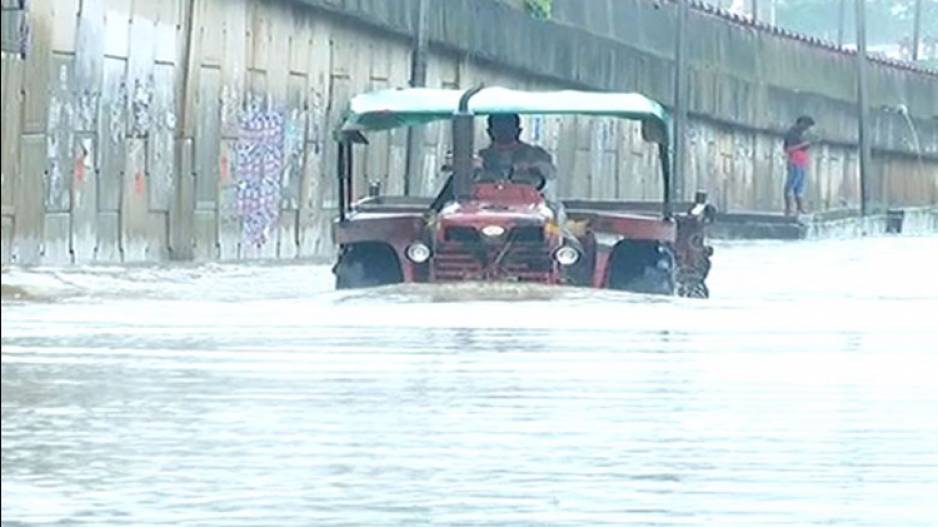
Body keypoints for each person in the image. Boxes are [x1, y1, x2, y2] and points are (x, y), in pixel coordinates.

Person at [478, 114, 557, 201]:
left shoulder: (535, 154)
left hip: (529, 205)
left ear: (518, 130)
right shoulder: (481, 156)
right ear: (489, 131)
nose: (503, 132)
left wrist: (533, 166)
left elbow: (551, 173)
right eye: (499, 128)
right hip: (487, 205)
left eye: (508, 128)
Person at [782, 115, 815, 215]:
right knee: (790, 185)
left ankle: (800, 208)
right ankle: (788, 208)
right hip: (794, 162)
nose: (807, 129)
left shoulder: (801, 134)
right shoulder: (791, 133)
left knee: (800, 186)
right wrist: (803, 145)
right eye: (806, 126)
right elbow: (788, 149)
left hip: (802, 162)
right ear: (801, 123)